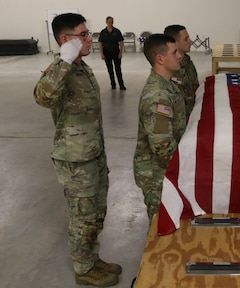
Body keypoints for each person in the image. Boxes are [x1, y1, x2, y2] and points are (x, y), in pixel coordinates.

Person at [33, 13, 121, 287]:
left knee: (96, 212)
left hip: (94, 153)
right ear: (64, 40)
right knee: (82, 217)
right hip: (75, 161)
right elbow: (43, 97)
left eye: (88, 33)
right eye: (82, 35)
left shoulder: (82, 69)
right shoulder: (60, 69)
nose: (89, 39)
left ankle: (92, 259)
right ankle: (83, 268)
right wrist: (64, 60)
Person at [133, 34, 186, 222]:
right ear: (160, 59)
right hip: (157, 174)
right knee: (161, 226)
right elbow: (162, 146)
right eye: (174, 52)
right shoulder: (158, 95)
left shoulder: (167, 85)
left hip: (165, 170)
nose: (179, 56)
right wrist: (188, 167)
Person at [164, 24, 199, 118]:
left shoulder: (187, 62)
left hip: (190, 117)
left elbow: (195, 87)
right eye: (186, 39)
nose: (190, 41)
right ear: (174, 42)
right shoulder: (167, 69)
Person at [98, 16, 126, 90]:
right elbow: (100, 44)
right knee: (110, 70)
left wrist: (120, 52)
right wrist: (102, 54)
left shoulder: (117, 31)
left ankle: (121, 85)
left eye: (112, 22)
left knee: (118, 69)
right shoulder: (103, 32)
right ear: (106, 22)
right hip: (106, 53)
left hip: (116, 52)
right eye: (109, 22)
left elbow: (121, 42)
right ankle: (113, 84)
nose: (111, 23)